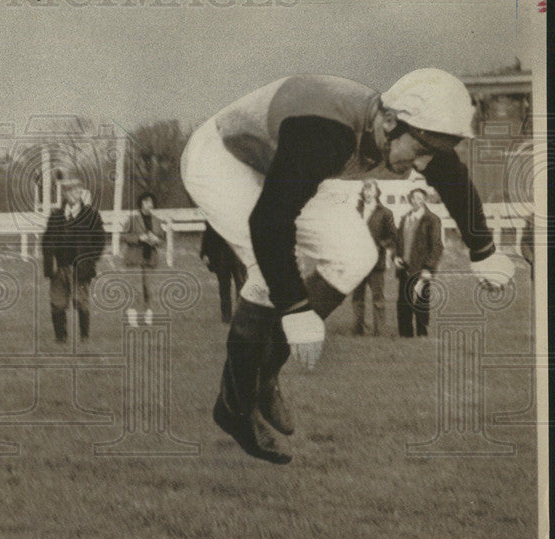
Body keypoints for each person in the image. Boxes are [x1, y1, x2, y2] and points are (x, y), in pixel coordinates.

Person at [180, 69, 515, 464]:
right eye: (421, 150)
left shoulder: (412, 132)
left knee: (355, 256)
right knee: (267, 277)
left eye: (432, 155)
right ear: (390, 122)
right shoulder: (323, 134)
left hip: (277, 161)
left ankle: (265, 374)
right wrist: (296, 310)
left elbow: (455, 181)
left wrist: (484, 252)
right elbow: (269, 222)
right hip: (222, 160)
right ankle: (234, 408)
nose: (422, 166)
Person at [41, 175, 106, 343]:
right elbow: (46, 242)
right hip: (59, 268)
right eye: (71, 191)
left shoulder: (91, 216)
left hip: (81, 268)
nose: (75, 193)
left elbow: (100, 240)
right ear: (65, 194)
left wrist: (89, 259)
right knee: (58, 303)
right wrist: (51, 263)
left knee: (81, 302)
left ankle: (84, 337)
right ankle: (60, 338)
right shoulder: (55, 216)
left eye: (78, 190)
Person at [393, 188, 443, 338]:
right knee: (403, 302)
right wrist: (396, 256)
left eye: (420, 198)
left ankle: (422, 333)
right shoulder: (404, 218)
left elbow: (437, 246)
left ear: (424, 200)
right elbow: (397, 242)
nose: (416, 200)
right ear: (410, 199)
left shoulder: (432, 219)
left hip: (421, 269)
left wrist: (428, 268)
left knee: (421, 301)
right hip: (404, 267)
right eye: (414, 198)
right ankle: (405, 334)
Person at [351, 180, 397, 335]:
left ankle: (380, 331)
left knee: (378, 298)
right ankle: (358, 330)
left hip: (376, 262)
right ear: (362, 192)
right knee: (357, 298)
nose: (368, 192)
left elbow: (392, 237)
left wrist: (379, 246)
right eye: (365, 189)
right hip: (357, 262)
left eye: (371, 190)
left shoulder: (385, 213)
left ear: (377, 192)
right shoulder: (355, 211)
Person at [121, 191, 165, 326]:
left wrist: (156, 239)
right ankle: (133, 316)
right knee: (136, 289)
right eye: (146, 201)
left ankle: (148, 315)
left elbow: (163, 239)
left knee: (149, 289)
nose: (148, 204)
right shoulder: (132, 219)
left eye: (151, 202)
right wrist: (139, 238)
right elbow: (124, 236)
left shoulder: (157, 221)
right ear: (141, 203)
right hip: (134, 258)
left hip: (150, 258)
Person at [201, 222, 247, 323]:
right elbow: (208, 233)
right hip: (221, 256)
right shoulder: (214, 214)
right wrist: (204, 253)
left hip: (238, 257)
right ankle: (226, 315)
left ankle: (242, 315)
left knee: (241, 286)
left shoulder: (240, 215)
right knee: (224, 287)